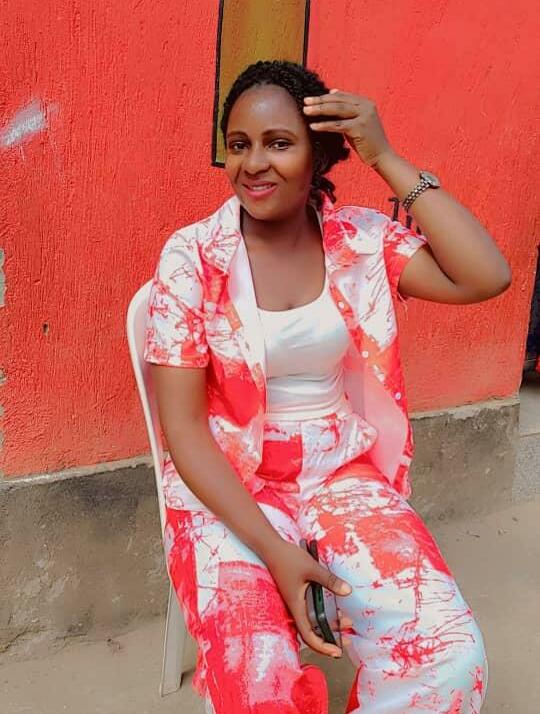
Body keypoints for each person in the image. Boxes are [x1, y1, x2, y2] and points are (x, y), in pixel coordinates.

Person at [143, 60, 510, 713]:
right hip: (228, 485)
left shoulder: (360, 241)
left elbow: (486, 275)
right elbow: (185, 432)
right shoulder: (192, 257)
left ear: (319, 154)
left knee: (447, 655)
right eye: (239, 144)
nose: (254, 163)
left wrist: (387, 157)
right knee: (258, 683)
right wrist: (276, 552)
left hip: (340, 474)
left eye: (279, 143)